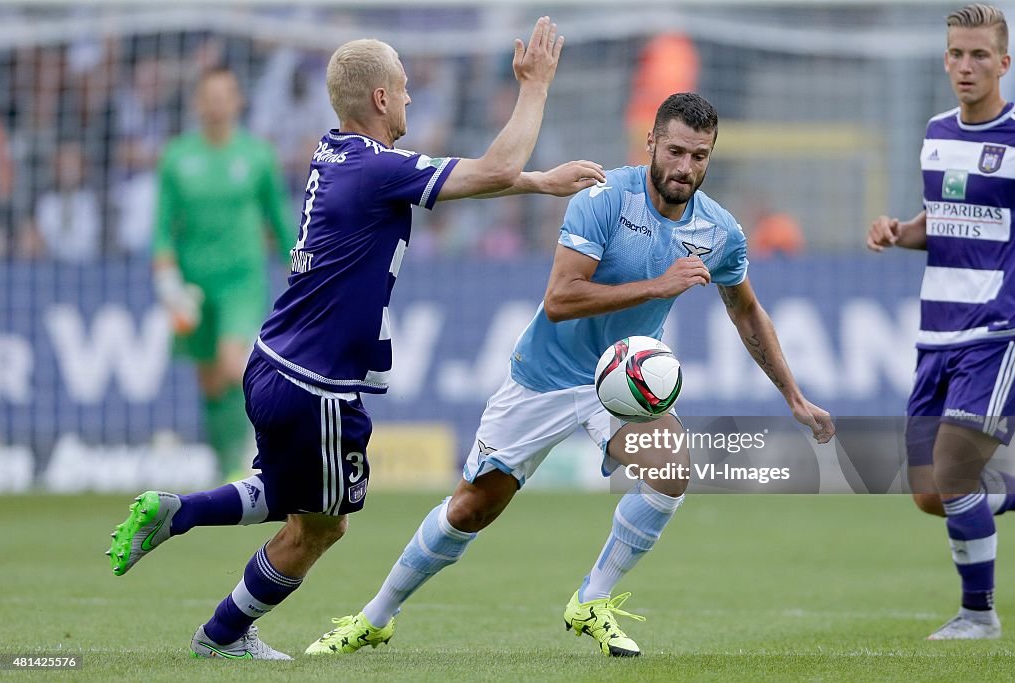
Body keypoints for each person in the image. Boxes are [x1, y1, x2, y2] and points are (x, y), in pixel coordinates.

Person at [107, 17, 606, 660]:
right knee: (320, 526)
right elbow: (495, 165)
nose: (407, 99)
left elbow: (479, 177)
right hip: (315, 383)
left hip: (277, 365)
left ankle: (180, 517)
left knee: (298, 502)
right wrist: (535, 86)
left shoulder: (337, 154)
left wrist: (537, 182)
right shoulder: (377, 170)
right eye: (401, 89)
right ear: (378, 98)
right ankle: (220, 634)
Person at [307, 92, 835, 659]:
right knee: (471, 507)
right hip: (543, 377)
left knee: (672, 467)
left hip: (619, 383)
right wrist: (660, 285)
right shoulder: (604, 198)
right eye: (676, 151)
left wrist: (794, 395)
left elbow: (746, 309)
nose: (686, 168)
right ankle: (376, 617)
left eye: (700, 156)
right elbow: (560, 298)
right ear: (651, 143)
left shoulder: (718, 230)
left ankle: (592, 598)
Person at [867, 3, 1015, 640]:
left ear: (1004, 63)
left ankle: (977, 616)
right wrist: (901, 232)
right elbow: (946, 223)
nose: (965, 65)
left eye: (979, 55)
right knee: (932, 493)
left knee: (955, 475)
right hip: (936, 335)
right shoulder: (936, 132)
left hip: (997, 332)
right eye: (956, 54)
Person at [151, 67, 293, 481]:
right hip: (194, 286)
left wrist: (296, 265)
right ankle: (224, 461)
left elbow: (280, 221)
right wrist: (167, 281)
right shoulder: (177, 158)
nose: (216, 104)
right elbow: (161, 230)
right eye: (208, 96)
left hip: (241, 281)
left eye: (224, 95)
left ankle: (251, 459)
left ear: (237, 102)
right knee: (211, 381)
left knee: (235, 366)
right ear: (197, 102)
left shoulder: (257, 156)